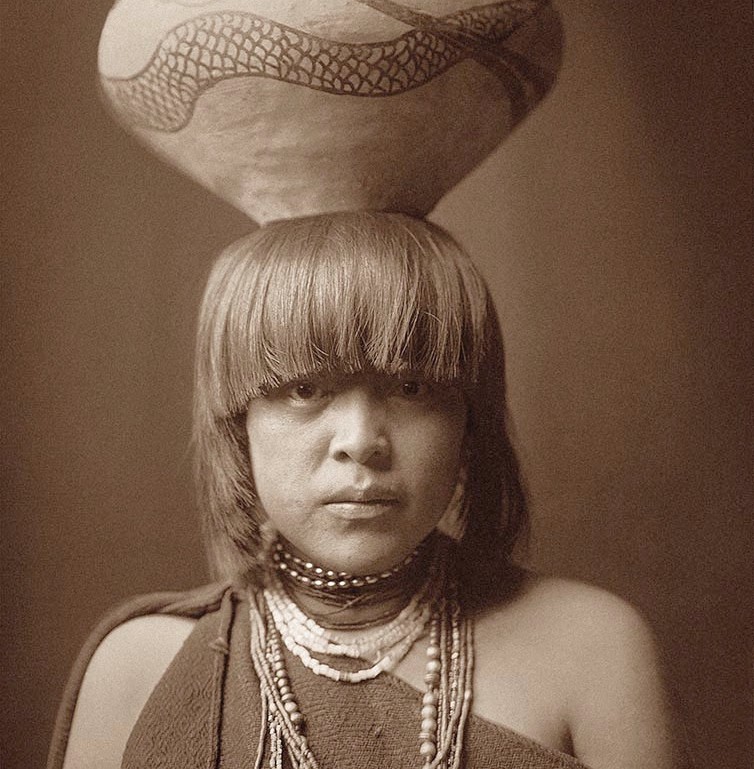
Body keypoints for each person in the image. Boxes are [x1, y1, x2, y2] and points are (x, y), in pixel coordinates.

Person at [49, 212, 687, 769]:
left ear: (470, 422)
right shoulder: (139, 668)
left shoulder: (590, 650)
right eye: (305, 389)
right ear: (237, 425)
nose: (361, 440)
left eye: (412, 388)